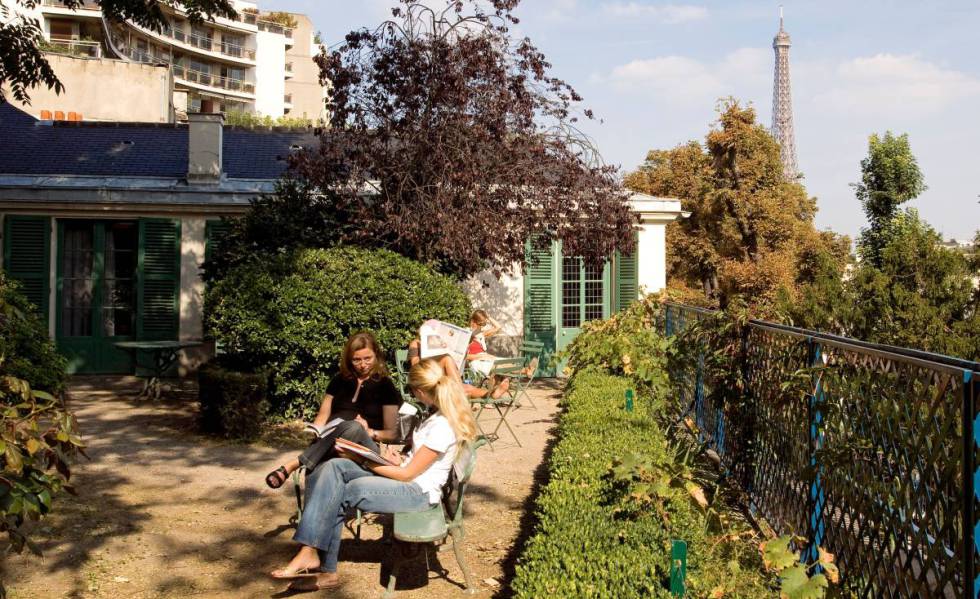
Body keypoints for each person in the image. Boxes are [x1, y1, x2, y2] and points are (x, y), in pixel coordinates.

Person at [269, 358, 479, 591]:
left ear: (420, 391)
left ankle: (325, 569)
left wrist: (363, 460)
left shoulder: (442, 425)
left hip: (417, 493)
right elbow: (413, 464)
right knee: (334, 467)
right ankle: (309, 550)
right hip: (409, 480)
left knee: (344, 490)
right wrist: (392, 458)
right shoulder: (434, 415)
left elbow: (407, 475)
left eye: (412, 390)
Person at [264, 332, 401, 489]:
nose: (363, 364)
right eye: (357, 360)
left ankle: (294, 464)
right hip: (332, 442)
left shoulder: (385, 385)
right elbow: (322, 417)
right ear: (349, 359)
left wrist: (369, 431)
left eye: (367, 358)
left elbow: (391, 433)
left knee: (353, 427)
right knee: (332, 446)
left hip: (364, 448)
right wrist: (316, 431)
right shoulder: (339, 380)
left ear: (376, 355)